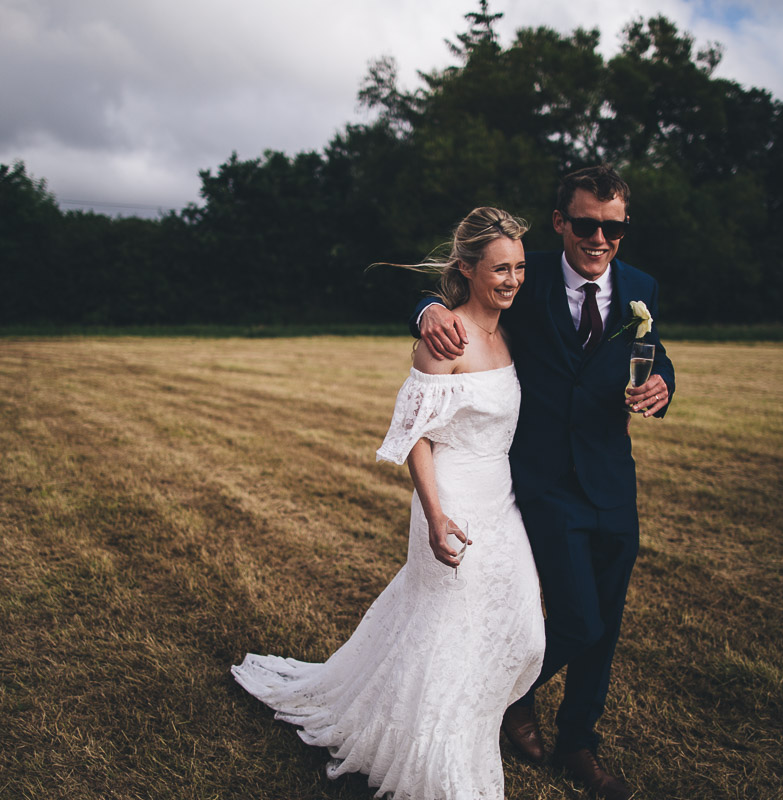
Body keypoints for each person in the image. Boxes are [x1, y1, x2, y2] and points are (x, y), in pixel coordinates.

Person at [232, 207, 546, 800]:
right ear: (467, 268)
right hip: (451, 501)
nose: (513, 279)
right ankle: (439, 759)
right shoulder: (444, 337)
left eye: (521, 268)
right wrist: (434, 516)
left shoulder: (507, 331)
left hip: (501, 499)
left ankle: (474, 718)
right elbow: (415, 437)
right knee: (449, 631)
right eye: (500, 268)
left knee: (522, 631)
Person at [414, 166, 675, 800]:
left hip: (614, 480)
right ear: (560, 222)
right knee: (577, 620)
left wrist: (663, 383)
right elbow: (460, 289)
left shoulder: (640, 288)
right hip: (545, 483)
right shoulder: (522, 281)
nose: (599, 238)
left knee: (605, 622)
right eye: (586, 224)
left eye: (613, 227)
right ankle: (509, 697)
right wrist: (424, 311)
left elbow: (655, 350)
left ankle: (578, 743)